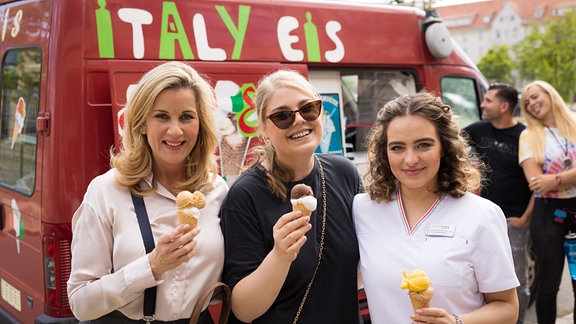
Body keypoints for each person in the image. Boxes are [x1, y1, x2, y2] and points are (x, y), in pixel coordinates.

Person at [67, 62, 228, 323]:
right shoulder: (106, 192)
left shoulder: (216, 191)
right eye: (162, 116)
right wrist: (150, 266)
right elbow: (80, 303)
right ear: (142, 124)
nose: (175, 130)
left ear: (200, 125)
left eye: (187, 117)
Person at [353, 91, 519, 323]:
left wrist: (456, 322)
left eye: (423, 145)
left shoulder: (481, 215)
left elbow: (507, 308)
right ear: (384, 152)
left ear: (444, 147)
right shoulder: (363, 209)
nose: (410, 160)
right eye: (397, 147)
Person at [219, 69, 363, 323]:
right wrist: (280, 255)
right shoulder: (245, 195)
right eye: (283, 116)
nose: (298, 120)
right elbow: (243, 309)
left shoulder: (345, 174)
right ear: (264, 128)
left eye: (308, 108)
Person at [463, 84, 534, 324]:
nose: (482, 104)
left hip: (513, 220)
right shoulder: (479, 130)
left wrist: (525, 217)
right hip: (481, 221)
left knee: (516, 282)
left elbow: (537, 181)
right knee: (485, 281)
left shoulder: (524, 136)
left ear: (504, 106)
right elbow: (449, 142)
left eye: (488, 101)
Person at [518, 80, 576, 324]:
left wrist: (556, 179)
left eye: (534, 96)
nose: (531, 103)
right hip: (547, 216)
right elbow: (537, 183)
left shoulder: (574, 122)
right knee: (548, 285)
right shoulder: (528, 135)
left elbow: (548, 180)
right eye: (527, 102)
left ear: (549, 93)